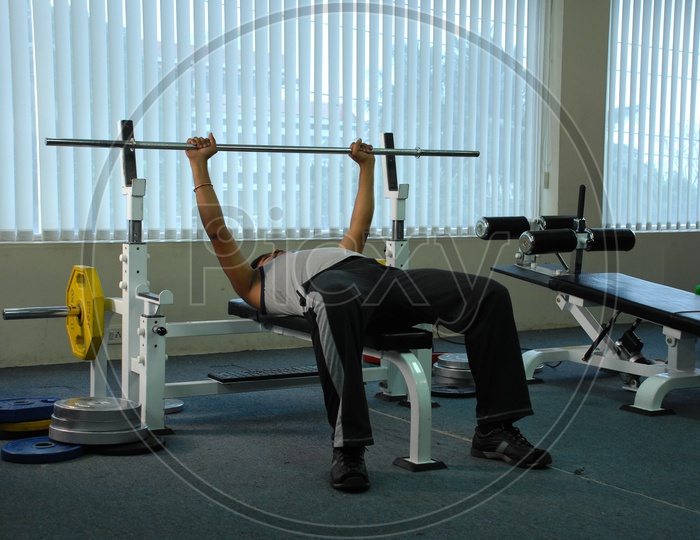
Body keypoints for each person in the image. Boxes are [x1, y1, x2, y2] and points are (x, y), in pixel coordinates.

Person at [186, 134, 552, 493]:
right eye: (271, 253)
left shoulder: (339, 250)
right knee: (334, 299)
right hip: (333, 292)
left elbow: (360, 222)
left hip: (382, 281)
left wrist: (367, 166)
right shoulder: (253, 284)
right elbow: (218, 233)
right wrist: (199, 166)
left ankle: (494, 430)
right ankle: (348, 449)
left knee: (487, 294)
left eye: (280, 250)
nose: (279, 251)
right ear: (263, 264)